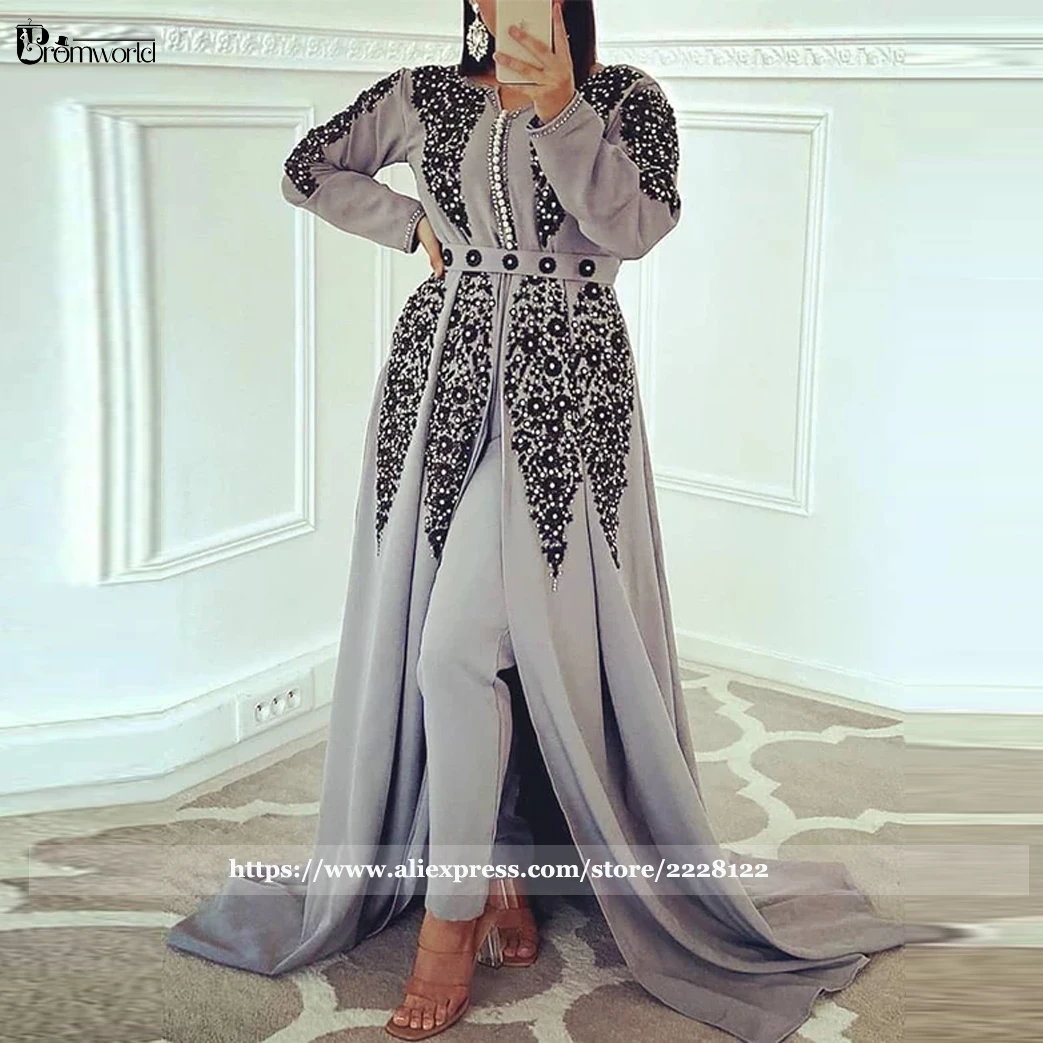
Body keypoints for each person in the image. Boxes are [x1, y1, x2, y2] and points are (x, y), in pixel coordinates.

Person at [166, 3, 956, 1041]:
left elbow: (636, 228)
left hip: (564, 401)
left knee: (461, 648)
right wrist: (408, 224)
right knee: (455, 648)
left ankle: (449, 916)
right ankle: (495, 862)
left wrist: (559, 110)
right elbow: (307, 165)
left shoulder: (625, 99)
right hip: (439, 387)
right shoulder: (423, 93)